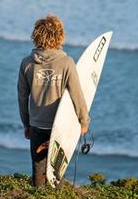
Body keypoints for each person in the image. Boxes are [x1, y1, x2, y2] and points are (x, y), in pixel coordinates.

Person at [17, 14, 89, 186]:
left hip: (36, 125)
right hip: (59, 127)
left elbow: (22, 97)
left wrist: (26, 123)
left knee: (38, 170)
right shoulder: (67, 63)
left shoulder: (27, 63)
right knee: (57, 172)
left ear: (36, 36)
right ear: (60, 36)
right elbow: (77, 95)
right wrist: (83, 121)